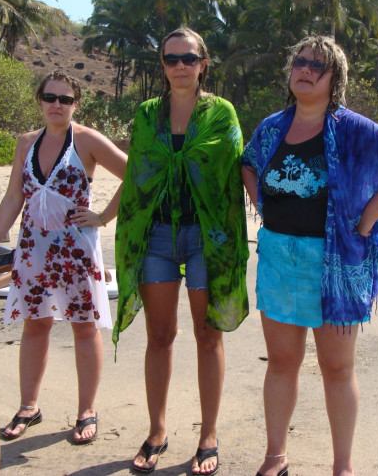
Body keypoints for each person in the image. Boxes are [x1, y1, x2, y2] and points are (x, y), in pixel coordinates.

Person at [242, 36, 378, 476]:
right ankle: (275, 456)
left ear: (334, 78)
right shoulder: (272, 127)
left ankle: (342, 466)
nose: (305, 70)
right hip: (279, 257)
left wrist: (368, 219)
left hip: (336, 262)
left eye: (317, 66)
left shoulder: (353, 129)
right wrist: (262, 205)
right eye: (300, 62)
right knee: (281, 363)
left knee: (337, 367)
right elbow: (248, 163)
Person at [113, 26, 248, 475]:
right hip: (156, 236)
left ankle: (208, 434)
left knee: (208, 335)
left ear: (203, 64)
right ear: (163, 65)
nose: (180, 66)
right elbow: (138, 175)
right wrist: (103, 216)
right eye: (171, 59)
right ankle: (157, 431)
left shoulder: (221, 113)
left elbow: (234, 172)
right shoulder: (147, 114)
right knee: (159, 335)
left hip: (207, 235)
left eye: (189, 58)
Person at [0, 70, 127, 445]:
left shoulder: (87, 140)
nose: (57, 105)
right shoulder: (26, 142)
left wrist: (104, 216)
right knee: (35, 324)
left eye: (65, 99)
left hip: (76, 250)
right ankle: (28, 407)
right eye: (50, 97)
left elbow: (137, 172)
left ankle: (86, 411)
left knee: (84, 327)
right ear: (40, 101)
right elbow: (14, 197)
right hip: (33, 249)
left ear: (76, 104)